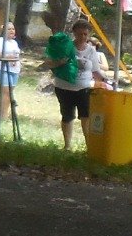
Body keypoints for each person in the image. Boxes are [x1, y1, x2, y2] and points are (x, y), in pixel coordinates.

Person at [44, 20, 102, 149]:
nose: (82, 37)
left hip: (84, 88)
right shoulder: (65, 47)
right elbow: (48, 63)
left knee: (86, 117)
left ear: (89, 35)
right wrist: (61, 62)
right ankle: (67, 146)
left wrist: (105, 80)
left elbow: (96, 71)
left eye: (85, 34)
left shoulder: (92, 51)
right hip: (64, 87)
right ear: (74, 33)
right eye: (80, 34)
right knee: (67, 116)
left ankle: (89, 146)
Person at [0, 22, 22, 122]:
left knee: (8, 93)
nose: (12, 31)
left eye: (13, 29)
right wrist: (8, 57)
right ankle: (1, 117)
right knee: (6, 92)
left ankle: (4, 114)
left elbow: (16, 55)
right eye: (9, 29)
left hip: (14, 70)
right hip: (2, 69)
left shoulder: (14, 43)